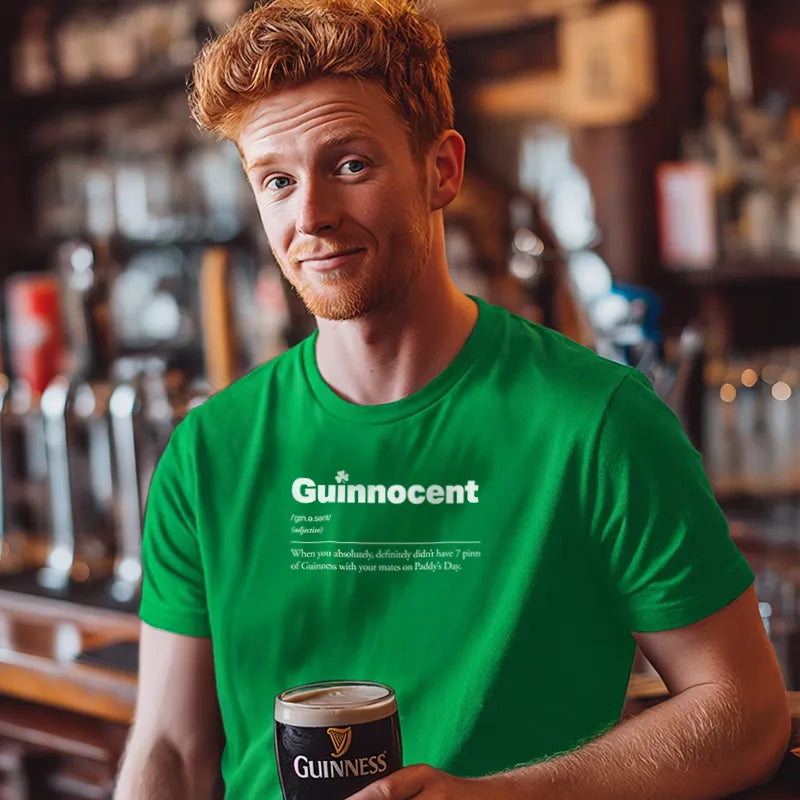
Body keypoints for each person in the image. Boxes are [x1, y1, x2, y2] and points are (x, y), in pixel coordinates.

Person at [114, 1, 790, 798]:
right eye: (277, 180)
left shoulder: (594, 422)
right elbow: (169, 748)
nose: (311, 217)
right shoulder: (208, 452)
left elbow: (745, 711)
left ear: (442, 169)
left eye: (352, 164)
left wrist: (499, 798)